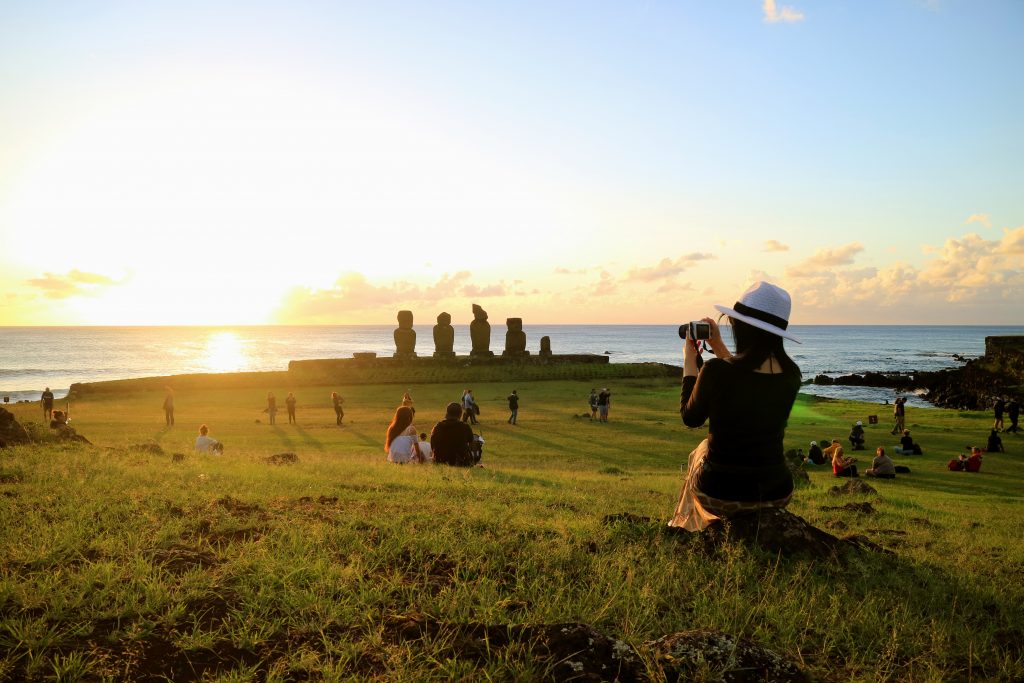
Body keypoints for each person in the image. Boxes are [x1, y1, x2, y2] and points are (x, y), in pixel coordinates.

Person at [669, 281, 802, 531]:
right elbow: (747, 381)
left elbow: (691, 418)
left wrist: (689, 359)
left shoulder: (715, 371)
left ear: (742, 328)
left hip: (719, 495)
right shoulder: (792, 374)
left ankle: (684, 525)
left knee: (701, 448)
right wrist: (718, 347)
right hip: (777, 493)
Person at [430, 402, 476, 466]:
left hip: (440, 461)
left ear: (447, 413)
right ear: (460, 414)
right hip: (461, 462)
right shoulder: (465, 427)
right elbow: (472, 445)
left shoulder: (437, 427)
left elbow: (433, 445)